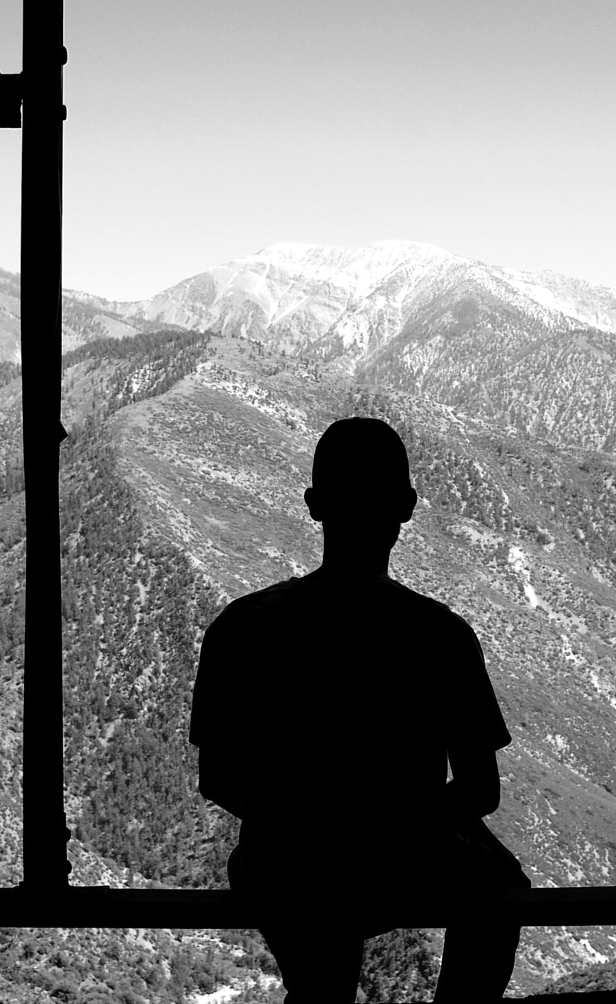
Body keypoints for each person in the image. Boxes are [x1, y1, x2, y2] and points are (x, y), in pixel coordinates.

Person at [190, 416, 531, 1003]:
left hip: (285, 865)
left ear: (315, 505)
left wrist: (308, 821)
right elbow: (480, 791)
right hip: (405, 861)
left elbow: (218, 779)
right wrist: (394, 822)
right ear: (406, 506)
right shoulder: (441, 636)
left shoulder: (242, 627)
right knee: (501, 889)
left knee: (321, 993)